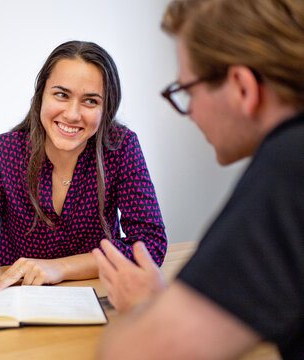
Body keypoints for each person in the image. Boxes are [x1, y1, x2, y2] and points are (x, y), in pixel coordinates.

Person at [93, 0, 304, 358]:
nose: (189, 112)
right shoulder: (5, 149)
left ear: (242, 87)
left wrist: (145, 305)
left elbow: (132, 353)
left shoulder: (288, 166)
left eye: (188, 91)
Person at [0, 40, 167, 296]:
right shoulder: (2, 151)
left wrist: (60, 268)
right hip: (21, 298)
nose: (72, 114)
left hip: (99, 295)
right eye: (62, 95)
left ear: (106, 108)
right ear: (40, 95)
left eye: (90, 101)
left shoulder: (121, 147)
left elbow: (150, 245)